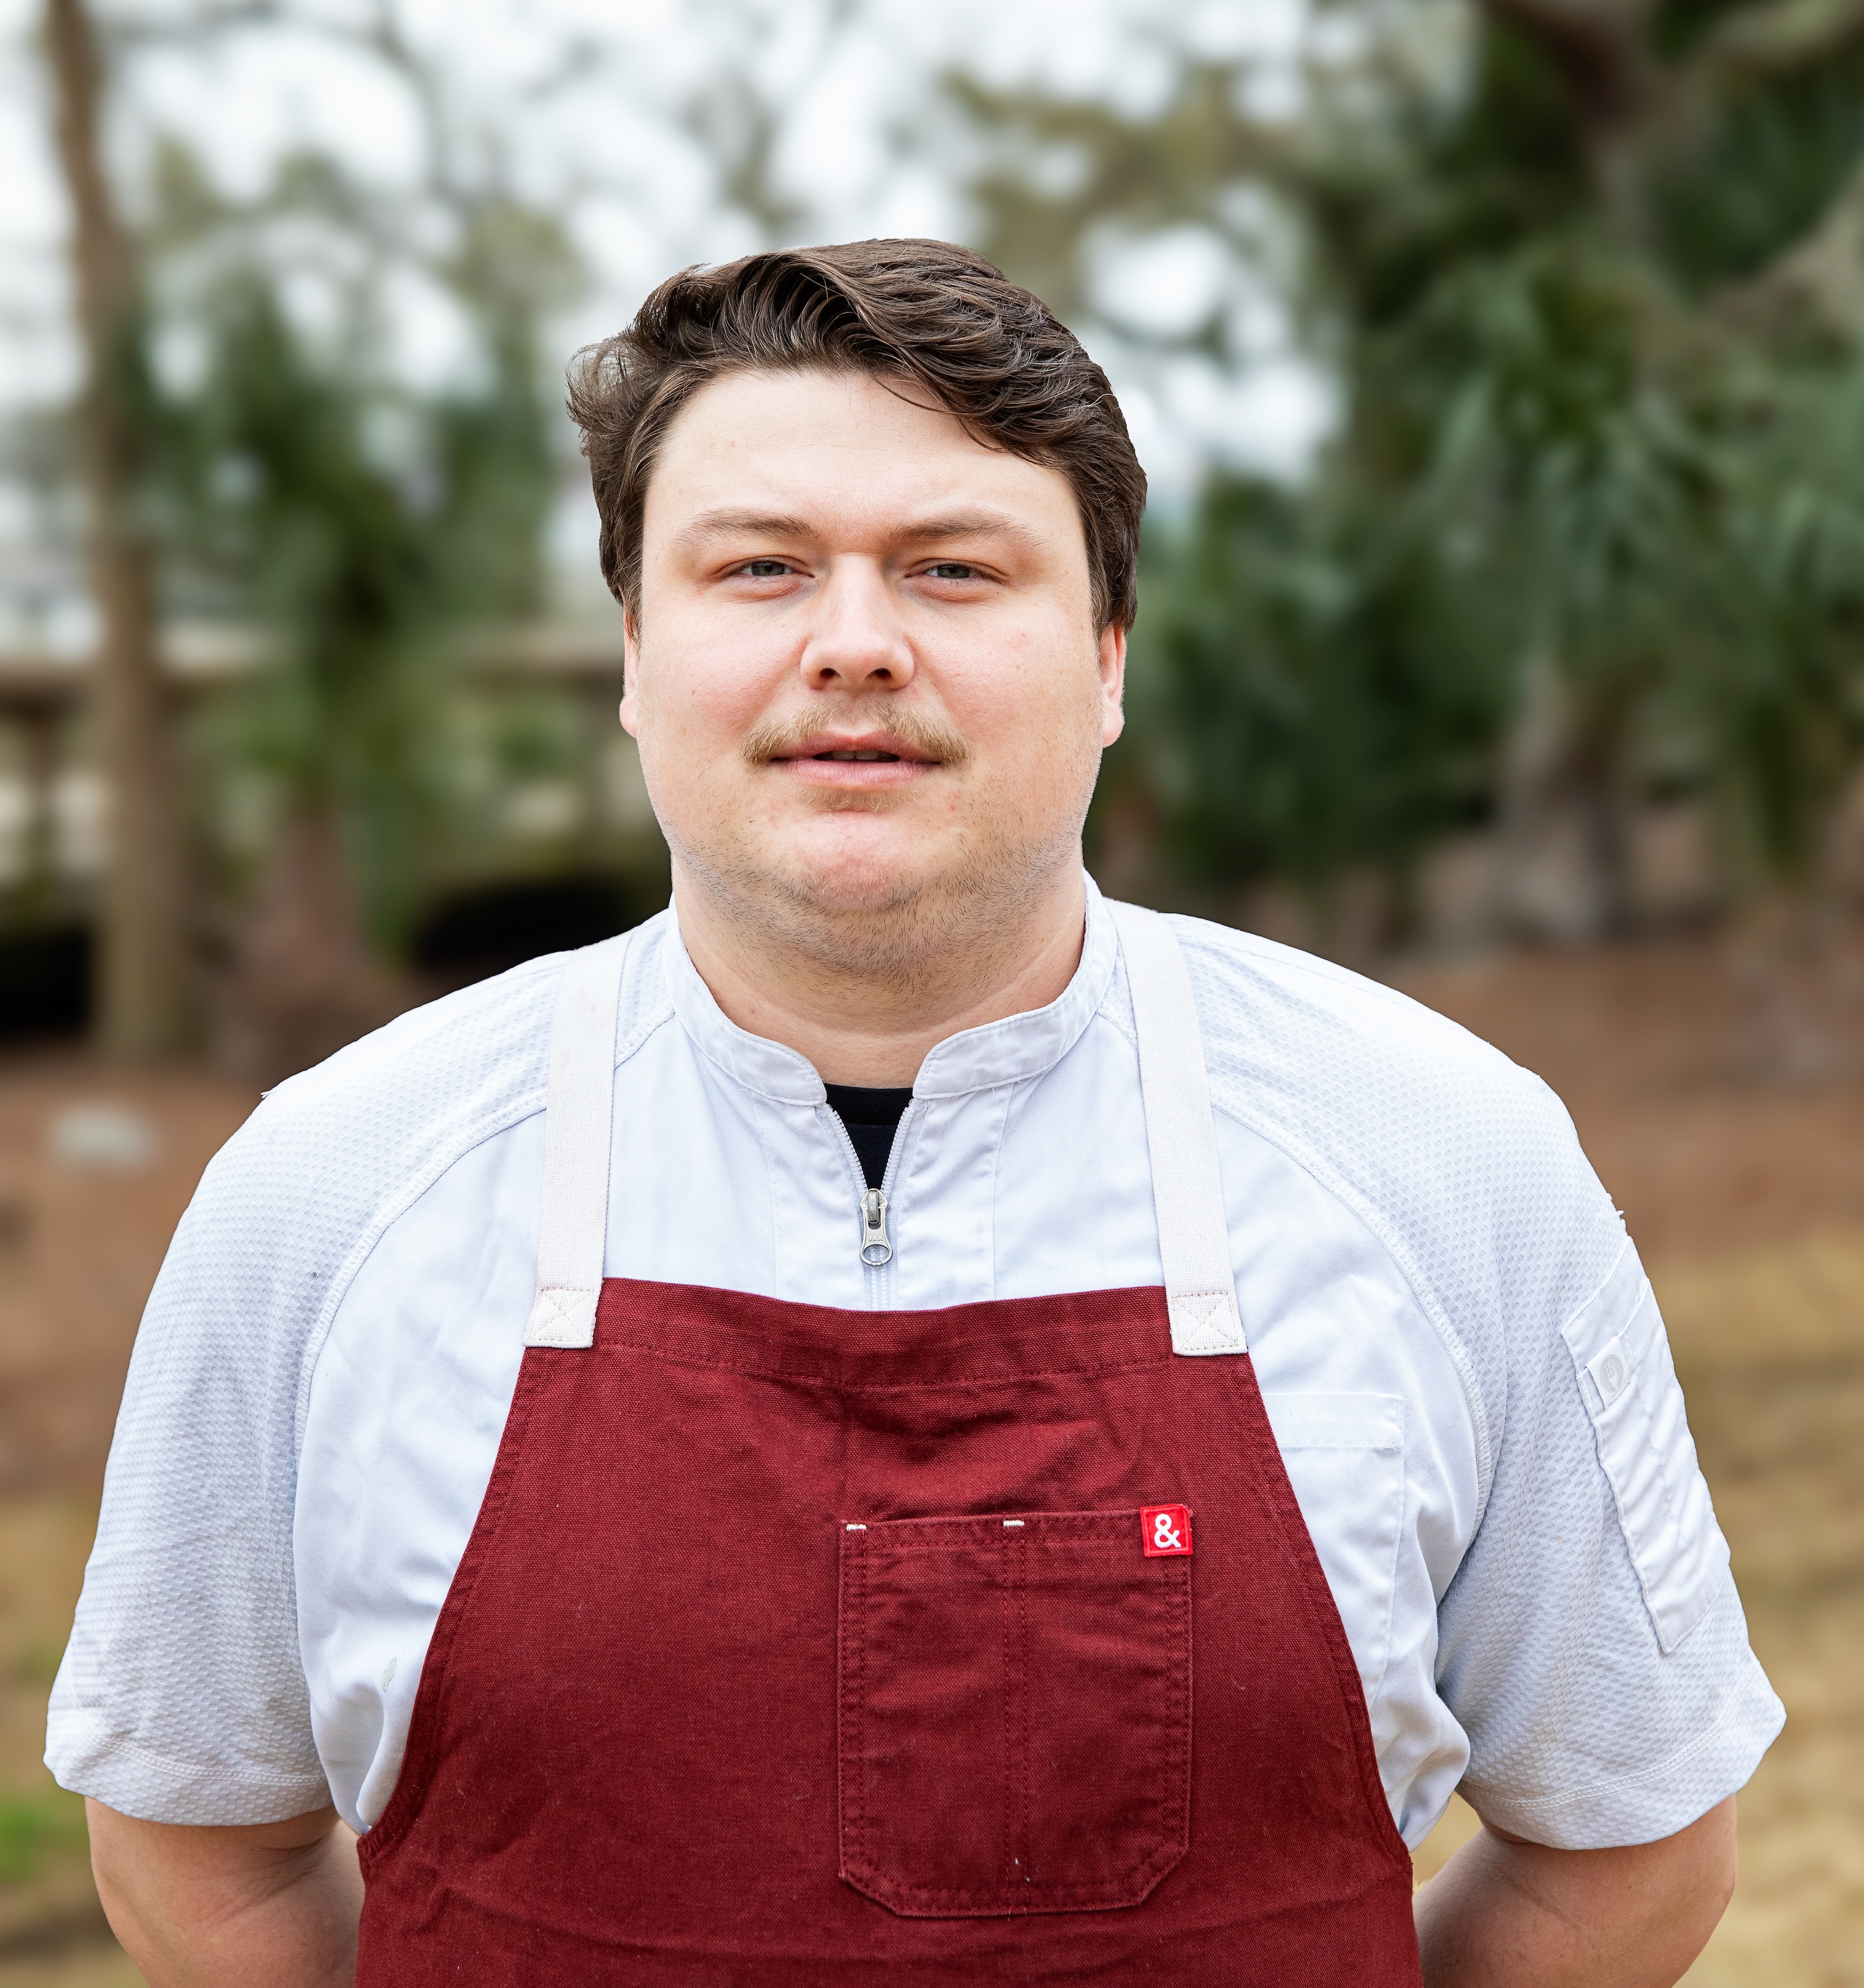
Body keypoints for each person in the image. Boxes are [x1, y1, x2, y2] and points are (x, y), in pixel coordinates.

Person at [50, 240, 1781, 1987]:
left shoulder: (1445, 1160)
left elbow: (1627, 1856)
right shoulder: (330, 1187)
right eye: (761, 568)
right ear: (636, 653)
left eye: (955, 568)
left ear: (1108, 656)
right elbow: (201, 1855)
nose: (856, 645)